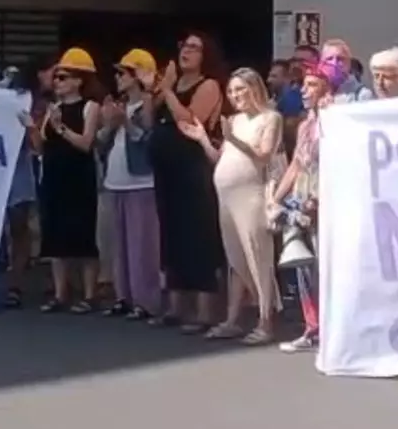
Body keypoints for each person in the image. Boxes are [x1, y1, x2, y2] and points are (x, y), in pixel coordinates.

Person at [182, 67, 283, 345]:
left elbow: (264, 156)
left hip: (251, 195)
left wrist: (234, 138)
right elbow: (220, 158)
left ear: (255, 88)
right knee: (235, 258)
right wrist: (203, 138)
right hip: (227, 196)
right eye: (231, 91)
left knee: (257, 255)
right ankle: (232, 319)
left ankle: (266, 322)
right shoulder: (235, 120)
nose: (235, 95)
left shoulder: (270, 117)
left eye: (240, 89)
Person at [267, 57, 346, 353]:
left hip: (327, 200)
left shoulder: (337, 122)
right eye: (304, 85)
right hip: (302, 200)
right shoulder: (304, 125)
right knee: (303, 264)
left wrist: (321, 196)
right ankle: (312, 328)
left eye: (312, 85)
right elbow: (296, 165)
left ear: (327, 89)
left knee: (327, 267)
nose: (304, 90)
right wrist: (276, 198)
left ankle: (334, 329)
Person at [148, 31, 226, 333]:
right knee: (171, 234)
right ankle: (176, 306)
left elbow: (189, 122)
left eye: (195, 48)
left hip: (192, 168)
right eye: (184, 46)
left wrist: (168, 91)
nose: (187, 52)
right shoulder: (172, 84)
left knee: (197, 236)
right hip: (167, 169)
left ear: (205, 56)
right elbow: (148, 120)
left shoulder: (208, 85)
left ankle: (204, 311)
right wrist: (154, 91)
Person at [98, 49, 162, 321]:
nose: (118, 78)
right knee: (118, 244)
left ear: (137, 76)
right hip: (115, 179)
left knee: (141, 244)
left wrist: (125, 120)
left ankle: (145, 300)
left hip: (141, 181)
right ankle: (122, 296)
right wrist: (110, 124)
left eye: (123, 73)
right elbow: (101, 141)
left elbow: (146, 137)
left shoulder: (149, 102)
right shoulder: (117, 104)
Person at [37, 48, 102, 313]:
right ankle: (60, 292)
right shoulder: (53, 108)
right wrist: (34, 128)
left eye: (63, 77)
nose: (57, 82)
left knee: (83, 235)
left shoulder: (90, 106)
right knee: (55, 235)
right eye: (56, 77)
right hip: (54, 175)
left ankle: (89, 294)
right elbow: (41, 145)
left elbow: (86, 143)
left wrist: (60, 127)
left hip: (79, 177)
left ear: (79, 80)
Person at [0, 59, 44, 310]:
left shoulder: (39, 103)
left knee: (19, 227)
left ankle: (15, 284)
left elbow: (38, 146)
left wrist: (31, 128)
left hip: (19, 168)